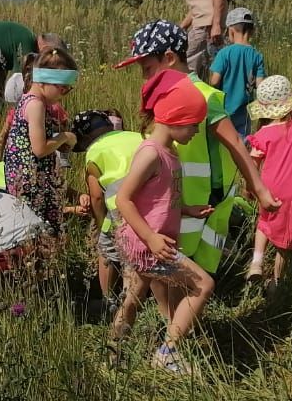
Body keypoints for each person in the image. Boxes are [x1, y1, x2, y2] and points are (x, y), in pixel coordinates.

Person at [115, 20, 280, 277]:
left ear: (169, 57)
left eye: (147, 68)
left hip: (201, 203)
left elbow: (235, 141)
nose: (144, 77)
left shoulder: (202, 95)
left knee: (191, 276)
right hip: (170, 205)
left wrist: (259, 189)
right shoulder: (163, 94)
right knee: (165, 273)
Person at [114, 70, 216, 373]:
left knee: (133, 298)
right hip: (150, 244)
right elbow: (124, 199)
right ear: (175, 118)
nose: (197, 131)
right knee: (202, 284)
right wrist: (152, 239)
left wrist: (187, 209)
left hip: (148, 242)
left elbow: (156, 198)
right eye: (194, 124)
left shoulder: (169, 152)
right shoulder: (151, 154)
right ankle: (168, 353)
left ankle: (113, 351)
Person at [245, 75, 292, 287]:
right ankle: (276, 282)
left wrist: (249, 188)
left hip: (270, 188)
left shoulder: (264, 133)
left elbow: (251, 164)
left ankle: (256, 263)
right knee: (286, 240)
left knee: (265, 222)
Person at [74, 108, 143, 313]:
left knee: (109, 249)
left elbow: (96, 196)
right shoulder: (137, 136)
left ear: (85, 137)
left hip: (121, 207)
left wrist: (99, 221)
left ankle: (113, 303)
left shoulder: (95, 151)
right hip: (155, 201)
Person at [4, 46, 79, 236]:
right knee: (39, 229)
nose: (65, 93)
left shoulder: (29, 99)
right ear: (47, 81)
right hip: (31, 180)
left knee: (37, 229)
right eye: (63, 89)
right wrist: (65, 137)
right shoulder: (36, 105)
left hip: (32, 176)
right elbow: (39, 149)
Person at [209, 7, 267, 138]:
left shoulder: (224, 53)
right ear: (251, 32)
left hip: (223, 110)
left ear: (231, 30)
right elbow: (261, 85)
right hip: (244, 111)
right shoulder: (257, 56)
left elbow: (215, 81)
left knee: (222, 142)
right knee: (241, 143)